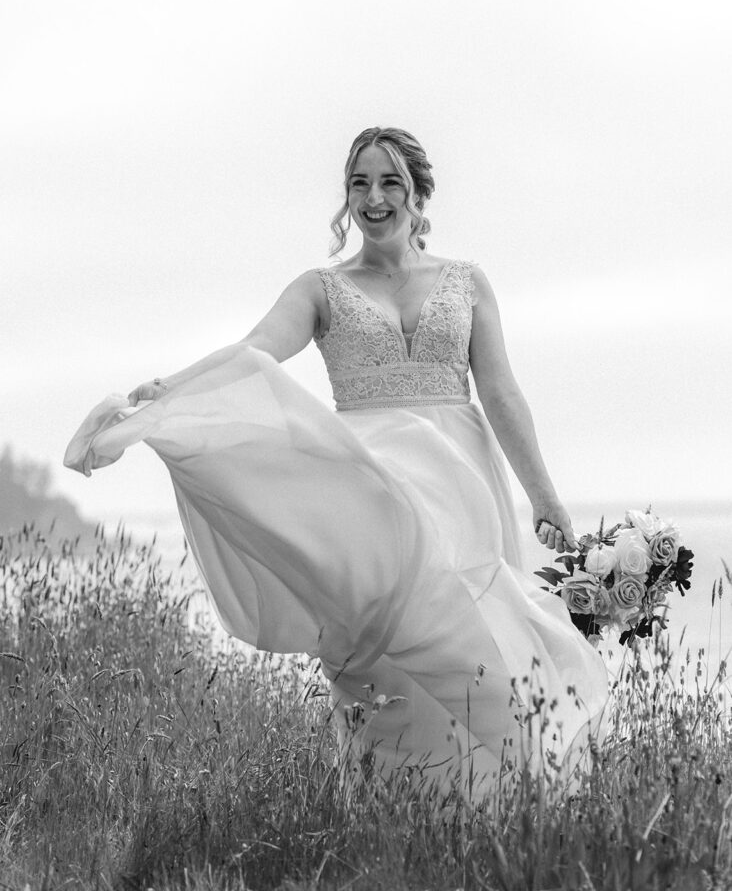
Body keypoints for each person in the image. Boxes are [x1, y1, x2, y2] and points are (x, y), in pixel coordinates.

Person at [64, 126, 608, 799]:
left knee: (483, 640)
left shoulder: (468, 283)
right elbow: (256, 351)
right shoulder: (322, 288)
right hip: (373, 487)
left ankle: (504, 813)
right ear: (346, 197)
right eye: (359, 183)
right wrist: (169, 392)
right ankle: (390, 816)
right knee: (388, 655)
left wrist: (545, 497)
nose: (373, 198)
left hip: (465, 478)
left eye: (389, 183)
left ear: (419, 195)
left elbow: (500, 390)